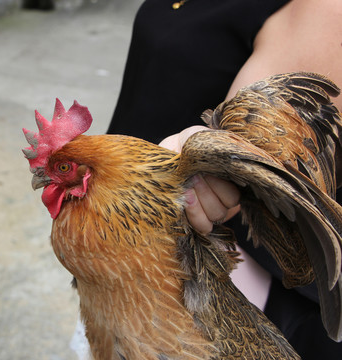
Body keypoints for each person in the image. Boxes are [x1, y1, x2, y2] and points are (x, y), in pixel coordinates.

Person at [106, 0, 342, 358]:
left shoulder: (324, 10)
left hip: (218, 278)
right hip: (138, 247)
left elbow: (253, 153)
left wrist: (202, 153)